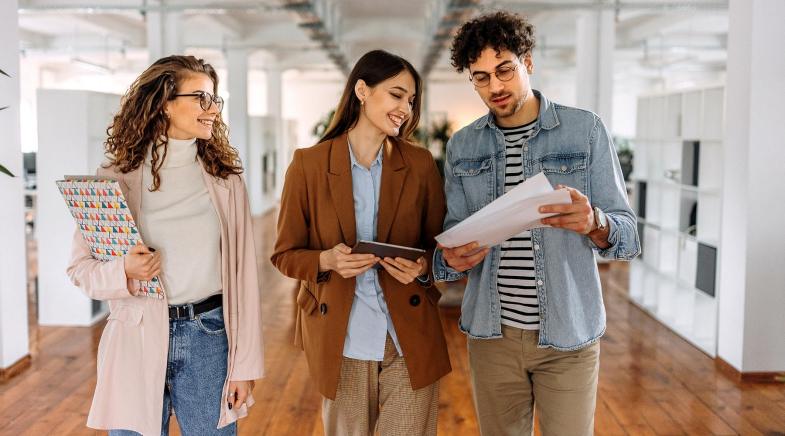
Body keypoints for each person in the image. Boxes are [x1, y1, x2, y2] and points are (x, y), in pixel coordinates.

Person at [432, 12, 640, 436]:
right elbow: (450, 243)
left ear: (527, 61)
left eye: (504, 69)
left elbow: (629, 236)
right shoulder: (463, 145)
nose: (495, 86)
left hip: (569, 335)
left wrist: (596, 222)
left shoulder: (584, 131)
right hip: (491, 336)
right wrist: (450, 259)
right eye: (481, 77)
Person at [66, 55, 264, 436]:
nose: (213, 110)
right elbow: (80, 270)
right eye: (201, 98)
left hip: (210, 338)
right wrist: (123, 270)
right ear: (163, 103)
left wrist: (244, 367)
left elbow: (245, 280)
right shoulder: (113, 180)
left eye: (215, 100)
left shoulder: (226, 182)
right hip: (135, 337)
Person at [270, 49, 450, 436]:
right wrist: (326, 261)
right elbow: (284, 255)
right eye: (397, 95)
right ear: (362, 91)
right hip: (342, 340)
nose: (406, 108)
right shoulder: (308, 165)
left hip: (408, 337)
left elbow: (440, 247)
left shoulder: (419, 164)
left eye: (412, 100)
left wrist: (422, 268)